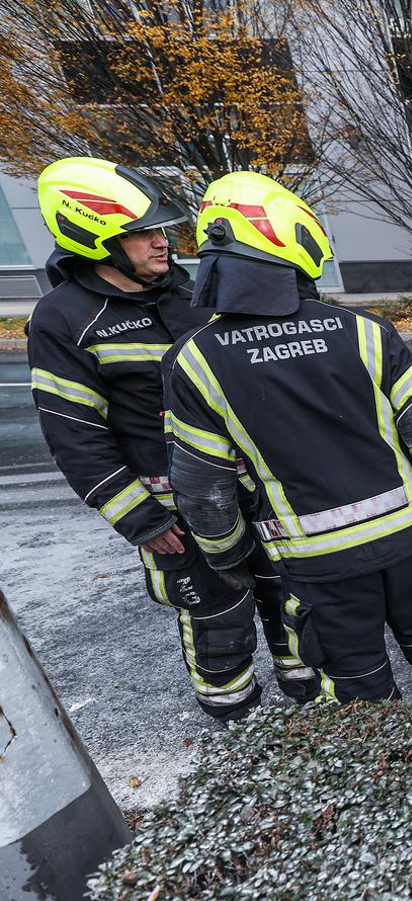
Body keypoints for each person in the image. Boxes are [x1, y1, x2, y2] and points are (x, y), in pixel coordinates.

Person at [165, 171, 412, 702]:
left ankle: (385, 780)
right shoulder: (364, 331)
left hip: (317, 564)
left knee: (357, 691)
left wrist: (229, 555)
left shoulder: (196, 360)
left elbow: (202, 489)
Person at [26, 157, 314, 721]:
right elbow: (75, 436)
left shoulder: (188, 290)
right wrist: (143, 521)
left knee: (293, 603)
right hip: (173, 514)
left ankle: (312, 710)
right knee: (219, 624)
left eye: (161, 229)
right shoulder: (63, 320)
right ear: (93, 237)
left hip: (255, 492)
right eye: (143, 234)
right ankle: (239, 725)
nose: (163, 243)